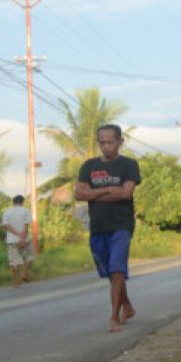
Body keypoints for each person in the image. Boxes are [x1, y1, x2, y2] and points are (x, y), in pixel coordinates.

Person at [75, 124, 141, 333]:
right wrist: (109, 189)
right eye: (102, 142)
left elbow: (125, 194)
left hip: (121, 225)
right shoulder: (88, 166)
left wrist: (95, 192)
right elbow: (79, 194)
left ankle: (114, 318)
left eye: (110, 142)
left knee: (117, 269)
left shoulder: (129, 165)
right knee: (111, 274)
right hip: (98, 226)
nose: (106, 146)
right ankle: (128, 306)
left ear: (120, 142)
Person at [1, 194, 34, 287]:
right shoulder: (25, 211)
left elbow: (6, 225)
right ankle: (25, 274)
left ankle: (17, 282)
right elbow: (26, 226)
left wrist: (16, 234)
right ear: (22, 202)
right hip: (25, 239)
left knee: (14, 261)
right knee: (29, 257)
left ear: (14, 202)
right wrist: (22, 238)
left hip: (11, 240)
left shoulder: (7, 212)